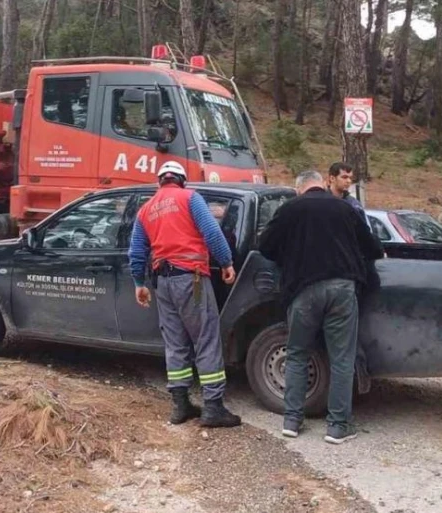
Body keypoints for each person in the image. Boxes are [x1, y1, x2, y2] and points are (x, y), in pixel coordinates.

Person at [258, 170, 384, 444]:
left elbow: (264, 246)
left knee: (297, 354)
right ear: (321, 183)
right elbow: (373, 248)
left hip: (302, 291)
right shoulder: (344, 208)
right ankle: (338, 427)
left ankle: (292, 420)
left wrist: (288, 255)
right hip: (342, 289)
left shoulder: (289, 209)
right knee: (341, 359)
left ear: (299, 188)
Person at [128, 161, 241, 428]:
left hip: (162, 283)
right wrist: (226, 262)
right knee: (206, 339)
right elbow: (212, 232)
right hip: (191, 279)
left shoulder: (146, 210)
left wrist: (138, 283)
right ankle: (213, 407)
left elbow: (136, 251)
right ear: (182, 180)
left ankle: (180, 405)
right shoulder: (190, 197)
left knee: (175, 342)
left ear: (160, 182)